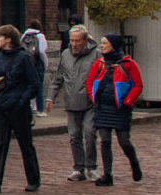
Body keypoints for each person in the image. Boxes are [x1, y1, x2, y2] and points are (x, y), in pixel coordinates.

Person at [0, 25, 42, 193]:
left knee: (25, 144)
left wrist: (22, 100)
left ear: (8, 39)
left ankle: (33, 179)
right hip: (1, 107)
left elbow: (34, 83)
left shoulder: (23, 58)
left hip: (18, 108)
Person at [84, 32, 143, 186]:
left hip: (120, 108)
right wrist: (93, 97)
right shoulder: (100, 63)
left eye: (105, 43)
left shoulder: (128, 63)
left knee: (124, 141)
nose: (102, 46)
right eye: (102, 43)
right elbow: (90, 82)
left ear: (113, 46)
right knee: (105, 141)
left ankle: (134, 162)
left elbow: (138, 85)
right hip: (103, 107)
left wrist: (128, 101)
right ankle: (107, 175)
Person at [45, 24, 101, 180]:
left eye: (77, 41)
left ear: (85, 40)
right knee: (74, 136)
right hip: (71, 101)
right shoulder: (65, 55)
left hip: (91, 102)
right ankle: (78, 168)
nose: (74, 44)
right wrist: (50, 97)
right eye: (72, 40)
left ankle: (92, 167)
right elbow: (58, 78)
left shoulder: (96, 55)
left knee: (89, 133)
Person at [21, 21, 49, 114]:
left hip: (27, 63)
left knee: (28, 85)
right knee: (39, 86)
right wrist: (45, 63)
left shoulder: (24, 36)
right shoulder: (40, 36)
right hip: (38, 63)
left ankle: (30, 107)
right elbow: (41, 52)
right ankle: (40, 109)